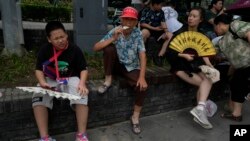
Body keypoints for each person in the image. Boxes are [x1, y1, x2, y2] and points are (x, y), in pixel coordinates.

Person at [93, 7, 148, 134]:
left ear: (136, 22)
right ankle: (108, 80)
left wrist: (142, 77)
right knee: (108, 49)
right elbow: (95, 47)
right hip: (116, 65)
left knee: (142, 87)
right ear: (121, 20)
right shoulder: (115, 31)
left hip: (131, 66)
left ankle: (135, 117)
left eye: (132, 20)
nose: (128, 23)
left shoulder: (137, 33)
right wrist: (113, 39)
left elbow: (142, 55)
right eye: (126, 19)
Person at [32, 21, 89, 141]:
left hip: (71, 78)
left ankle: (81, 135)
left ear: (66, 35)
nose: (60, 40)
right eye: (56, 38)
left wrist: (82, 83)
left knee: (82, 94)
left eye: (62, 36)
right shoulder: (44, 50)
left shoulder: (75, 49)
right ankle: (44, 138)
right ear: (49, 39)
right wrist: (42, 82)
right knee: (37, 96)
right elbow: (38, 70)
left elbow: (83, 69)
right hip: (51, 79)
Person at [165, 7, 214, 129]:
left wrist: (209, 66)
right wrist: (183, 55)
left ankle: (200, 110)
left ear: (200, 19)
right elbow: (169, 53)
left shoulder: (202, 35)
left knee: (209, 77)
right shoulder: (180, 32)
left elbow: (204, 53)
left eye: (194, 16)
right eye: (190, 15)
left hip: (195, 66)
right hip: (180, 66)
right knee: (204, 83)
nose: (190, 18)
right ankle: (200, 112)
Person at [213, 14, 250, 122]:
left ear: (219, 24)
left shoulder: (235, 25)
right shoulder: (222, 42)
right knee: (236, 86)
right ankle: (236, 115)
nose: (215, 30)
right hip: (240, 68)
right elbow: (233, 58)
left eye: (215, 27)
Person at [139, 0, 172, 66]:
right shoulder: (146, 10)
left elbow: (163, 22)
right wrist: (154, 28)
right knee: (143, 33)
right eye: (160, 5)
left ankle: (160, 56)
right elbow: (142, 23)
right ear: (155, 4)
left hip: (159, 31)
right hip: (148, 29)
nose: (161, 7)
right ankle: (141, 55)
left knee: (170, 35)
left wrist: (166, 31)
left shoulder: (161, 12)